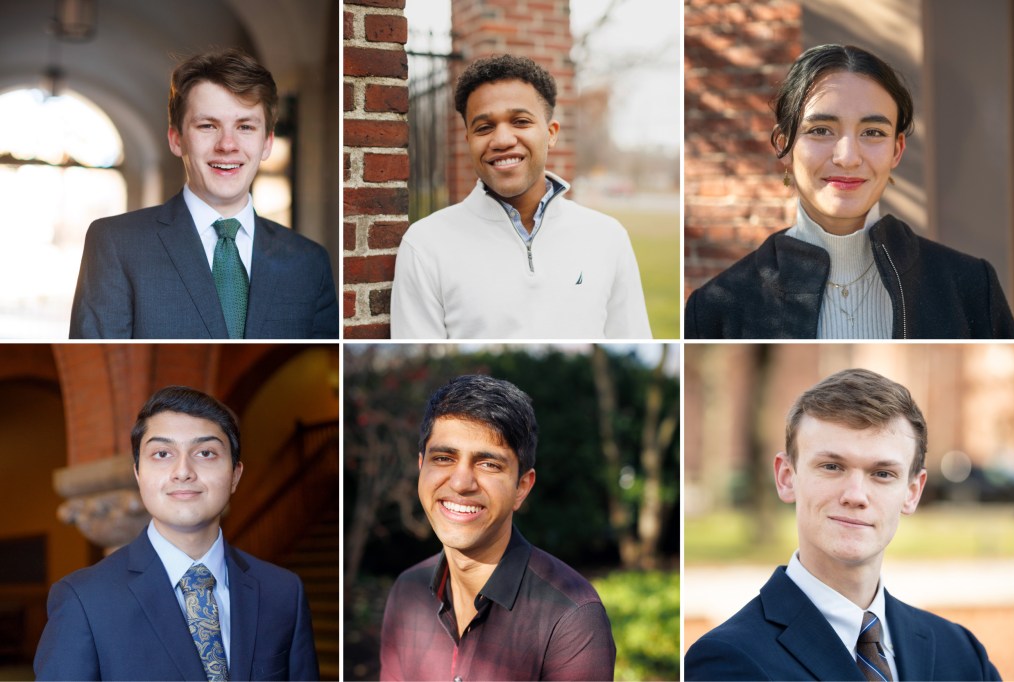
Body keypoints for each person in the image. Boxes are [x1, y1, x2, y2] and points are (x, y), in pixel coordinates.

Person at [684, 44, 1014, 339]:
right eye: (820, 130)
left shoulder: (971, 287)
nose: (847, 157)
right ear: (785, 145)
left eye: (872, 132)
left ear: (896, 150)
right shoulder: (715, 308)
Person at [684, 368, 1001, 681]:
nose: (855, 496)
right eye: (832, 466)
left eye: (882, 473)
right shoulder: (726, 661)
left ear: (912, 492)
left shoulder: (962, 654)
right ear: (786, 478)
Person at [34, 386, 319, 681]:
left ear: (235, 475)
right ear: (138, 474)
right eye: (162, 454)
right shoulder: (84, 600)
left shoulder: (284, 592)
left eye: (206, 453)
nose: (183, 471)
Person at [70, 48, 338, 339]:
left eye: (245, 127)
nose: (227, 144)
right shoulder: (117, 244)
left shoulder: (309, 263)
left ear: (267, 143)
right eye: (208, 126)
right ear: (176, 139)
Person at [390, 54, 652, 339]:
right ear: (468, 140)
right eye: (484, 127)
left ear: (550, 134)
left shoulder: (608, 237)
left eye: (520, 121)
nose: (502, 140)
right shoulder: (425, 246)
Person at [379, 375, 616, 680]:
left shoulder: (571, 618)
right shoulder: (406, 592)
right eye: (444, 458)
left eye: (488, 464)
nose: (461, 482)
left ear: (522, 487)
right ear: (421, 466)